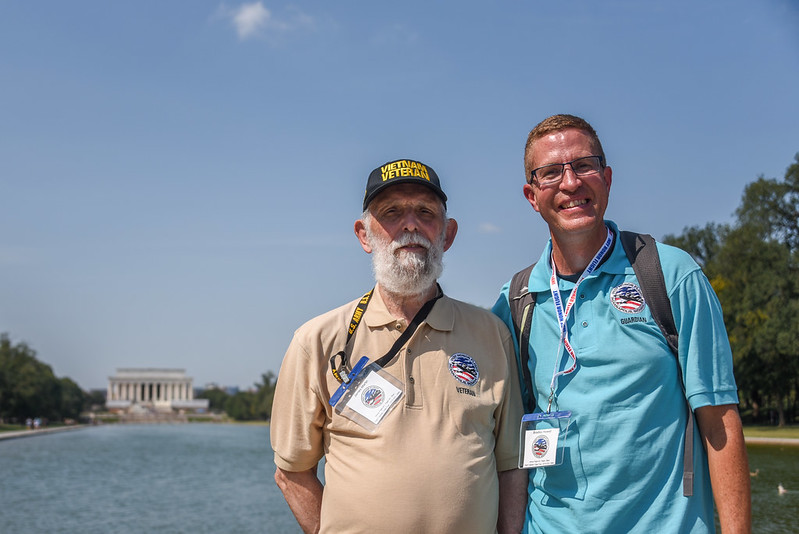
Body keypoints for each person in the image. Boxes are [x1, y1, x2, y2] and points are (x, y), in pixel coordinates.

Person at [492, 115, 751, 533]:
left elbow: (719, 419)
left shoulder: (670, 275)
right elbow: (506, 449)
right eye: (551, 172)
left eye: (584, 165)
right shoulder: (514, 302)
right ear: (531, 195)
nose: (571, 182)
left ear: (607, 178)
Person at [271, 158, 527, 534]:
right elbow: (291, 473)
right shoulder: (318, 341)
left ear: (448, 234)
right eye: (391, 212)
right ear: (363, 234)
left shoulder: (492, 334)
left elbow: (511, 466)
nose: (410, 224)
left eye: (425, 211)